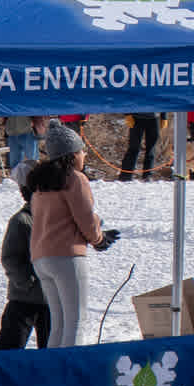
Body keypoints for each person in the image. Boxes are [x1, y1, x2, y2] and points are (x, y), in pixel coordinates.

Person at [28, 122, 116, 347]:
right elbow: (85, 218)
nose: (84, 155)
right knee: (76, 323)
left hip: (41, 257)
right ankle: (70, 375)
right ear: (71, 154)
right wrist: (99, 238)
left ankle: (53, 371)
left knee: (58, 325)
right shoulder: (74, 179)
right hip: (68, 257)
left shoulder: (40, 184)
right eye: (81, 150)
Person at [0, 176, 50, 349]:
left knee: (52, 350)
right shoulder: (21, 221)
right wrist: (26, 282)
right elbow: (10, 258)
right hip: (24, 298)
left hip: (50, 299)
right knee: (9, 349)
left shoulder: (54, 220)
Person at [2, 114, 46, 181]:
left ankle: (36, 181)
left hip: (27, 131)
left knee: (32, 160)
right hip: (12, 132)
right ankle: (15, 183)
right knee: (15, 163)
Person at [119, 112, 161, 181]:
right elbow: (128, 101)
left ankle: (147, 176)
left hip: (154, 119)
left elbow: (163, 101)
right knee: (134, 148)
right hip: (136, 117)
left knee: (151, 149)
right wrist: (127, 114)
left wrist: (164, 117)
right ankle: (125, 176)